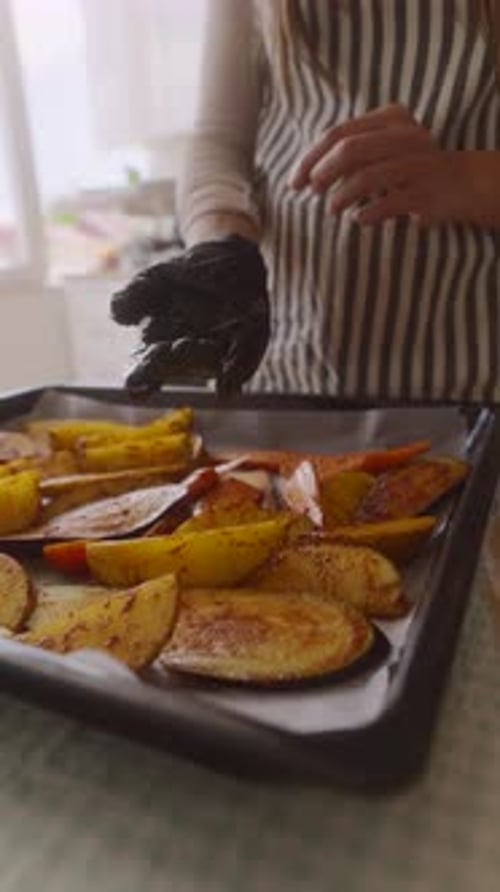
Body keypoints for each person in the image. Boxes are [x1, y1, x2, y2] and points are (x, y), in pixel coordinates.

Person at [111, 0, 500, 402]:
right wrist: (221, 243)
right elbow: (218, 139)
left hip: (472, 394)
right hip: (285, 378)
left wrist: (464, 177)